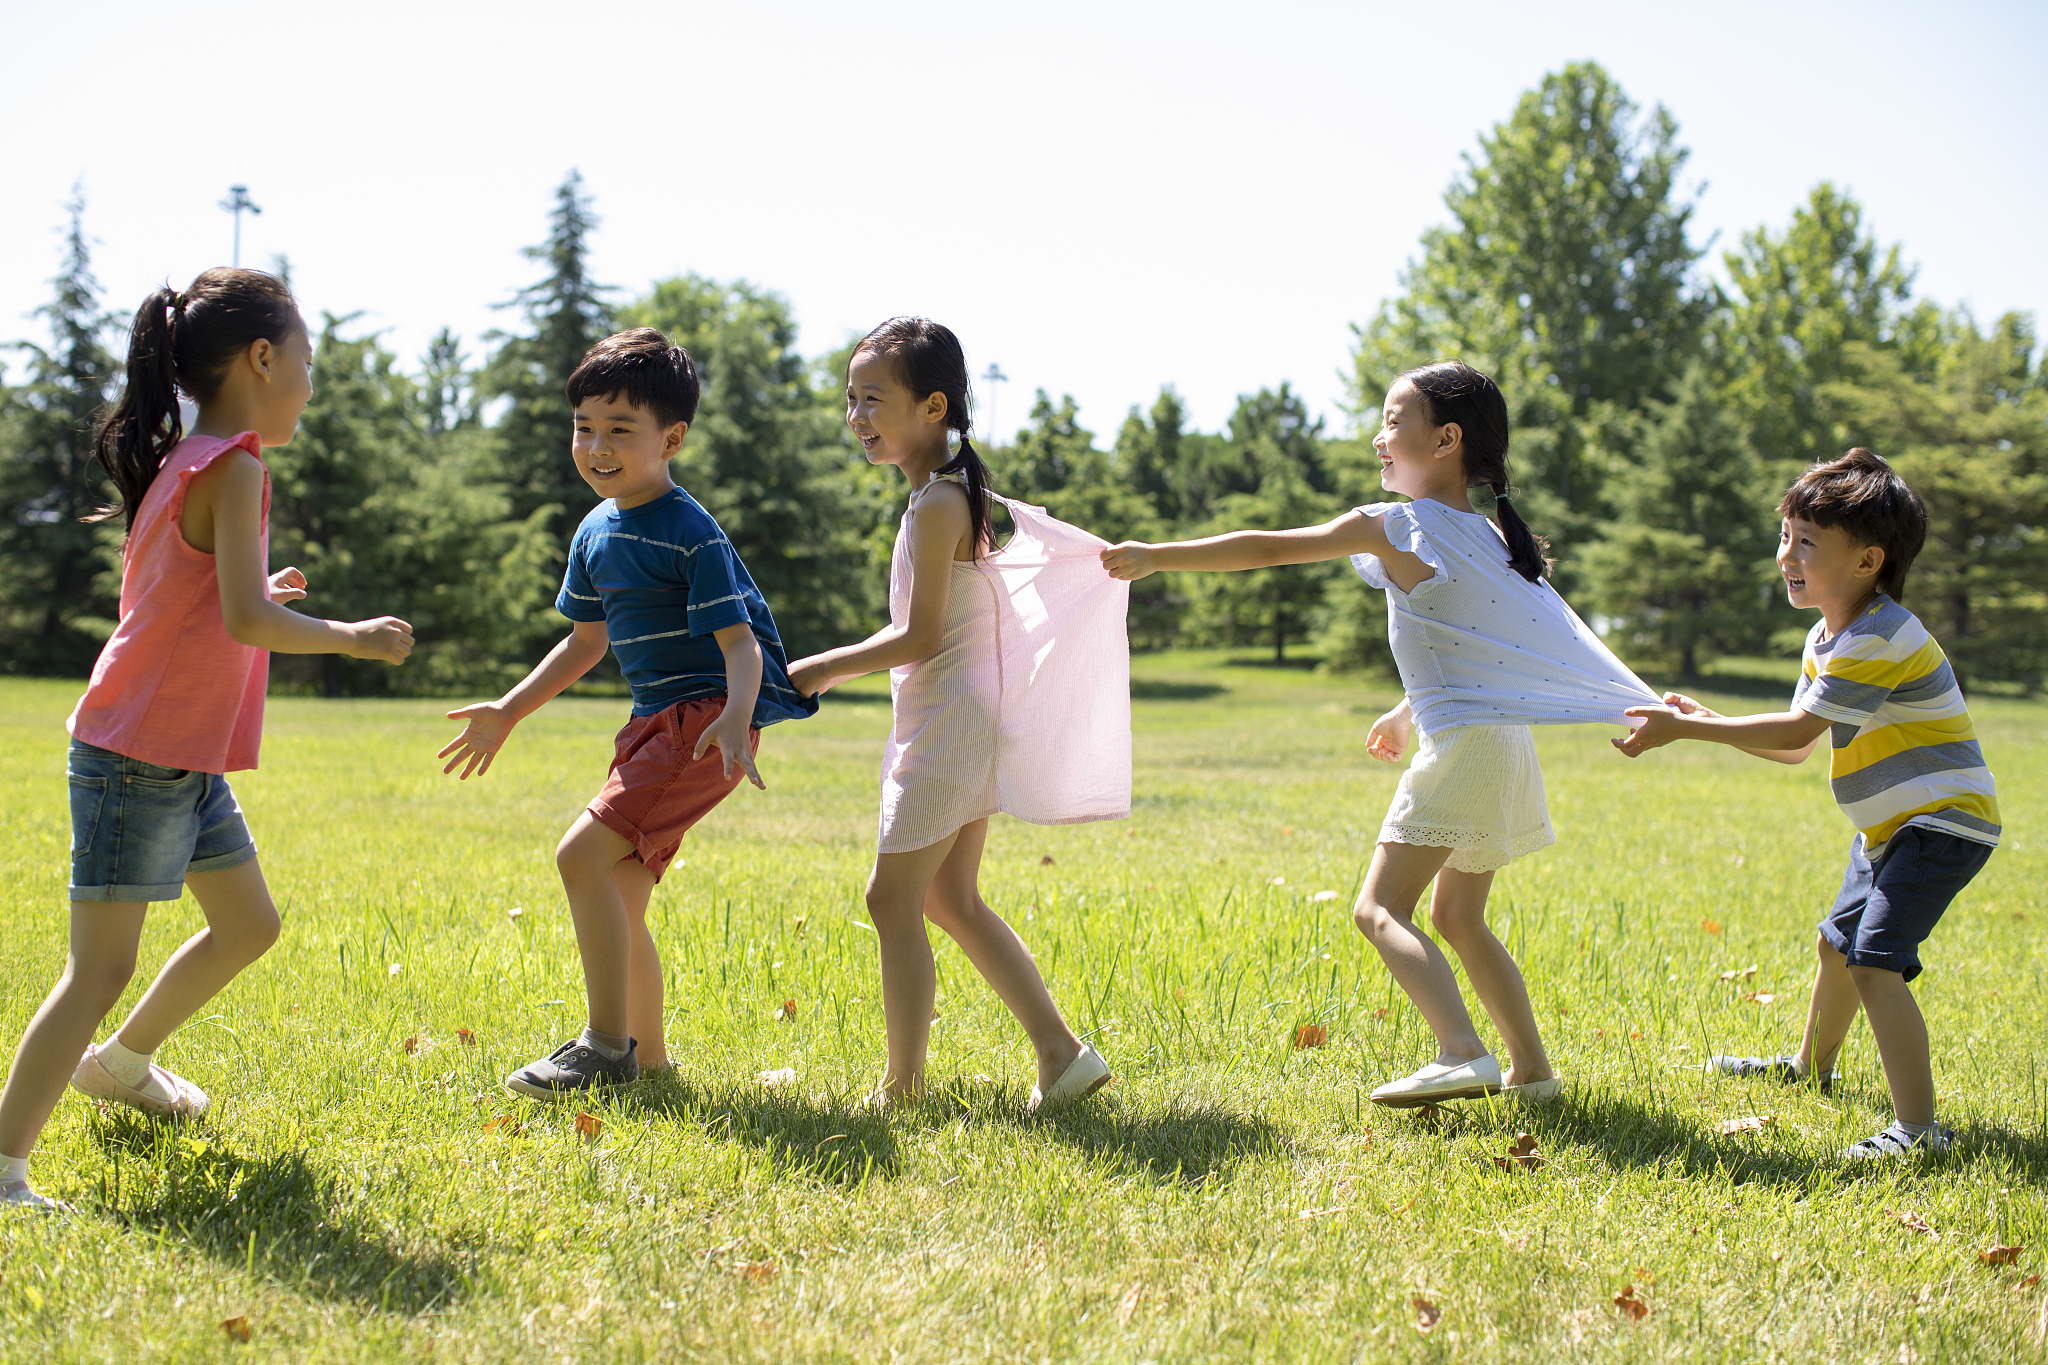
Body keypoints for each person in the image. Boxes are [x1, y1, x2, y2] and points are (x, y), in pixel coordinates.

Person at [1102, 361, 1659, 1109]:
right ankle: (1534, 1072)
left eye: (1395, 421)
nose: (1378, 437)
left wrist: (1155, 556)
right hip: (1502, 746)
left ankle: (1462, 1050)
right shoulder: (1490, 535)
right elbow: (1472, 643)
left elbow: (1269, 548)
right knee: (1458, 916)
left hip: (1465, 745)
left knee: (1377, 909)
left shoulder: (1396, 524)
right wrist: (1406, 710)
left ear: (1447, 439)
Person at [0, 269, 415, 1210]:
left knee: (249, 925)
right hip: (136, 752)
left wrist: (271, 591)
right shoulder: (234, 466)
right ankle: (4, 1167)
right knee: (98, 967)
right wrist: (350, 635)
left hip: (175, 754)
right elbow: (242, 617)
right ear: (262, 359)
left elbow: (203, 594)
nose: (311, 380)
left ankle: (124, 1063)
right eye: (306, 361)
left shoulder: (195, 461)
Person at [438, 329, 816, 1099]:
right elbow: (584, 643)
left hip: (700, 721)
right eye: (585, 426)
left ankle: (605, 1046)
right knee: (619, 892)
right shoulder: (594, 530)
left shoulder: (689, 531)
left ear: (671, 438)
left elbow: (740, 647)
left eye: (620, 430)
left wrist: (737, 718)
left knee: (579, 857)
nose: (597, 445)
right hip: (650, 725)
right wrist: (510, 710)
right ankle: (650, 1065)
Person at [1615, 448, 1997, 1161]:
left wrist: (1688, 727)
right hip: (1890, 828)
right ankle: (1809, 1070)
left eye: (1808, 543)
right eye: (1785, 536)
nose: (1787, 555)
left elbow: (1795, 731)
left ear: (1868, 560)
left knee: (1875, 962)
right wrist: (1709, 716)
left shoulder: (1877, 636)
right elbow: (1795, 748)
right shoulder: (1826, 635)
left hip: (1942, 824)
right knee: (1836, 944)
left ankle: (1919, 1130)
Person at [786, 318, 1127, 1111]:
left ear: (932, 406)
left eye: (874, 399)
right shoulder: (939, 497)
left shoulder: (938, 503)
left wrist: (823, 665)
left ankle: (902, 1088)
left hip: (952, 723)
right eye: (850, 399)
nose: (857, 416)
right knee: (948, 897)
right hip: (955, 716)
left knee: (891, 898)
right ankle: (1061, 1052)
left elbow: (922, 633)